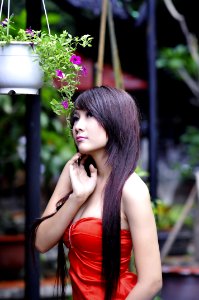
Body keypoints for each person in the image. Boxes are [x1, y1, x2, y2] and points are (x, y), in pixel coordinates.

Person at [32, 86, 162, 300]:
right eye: (76, 118)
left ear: (116, 122)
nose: (77, 126)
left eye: (90, 116)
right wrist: (76, 199)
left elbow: (151, 281)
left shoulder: (131, 188)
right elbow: (41, 242)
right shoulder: (74, 170)